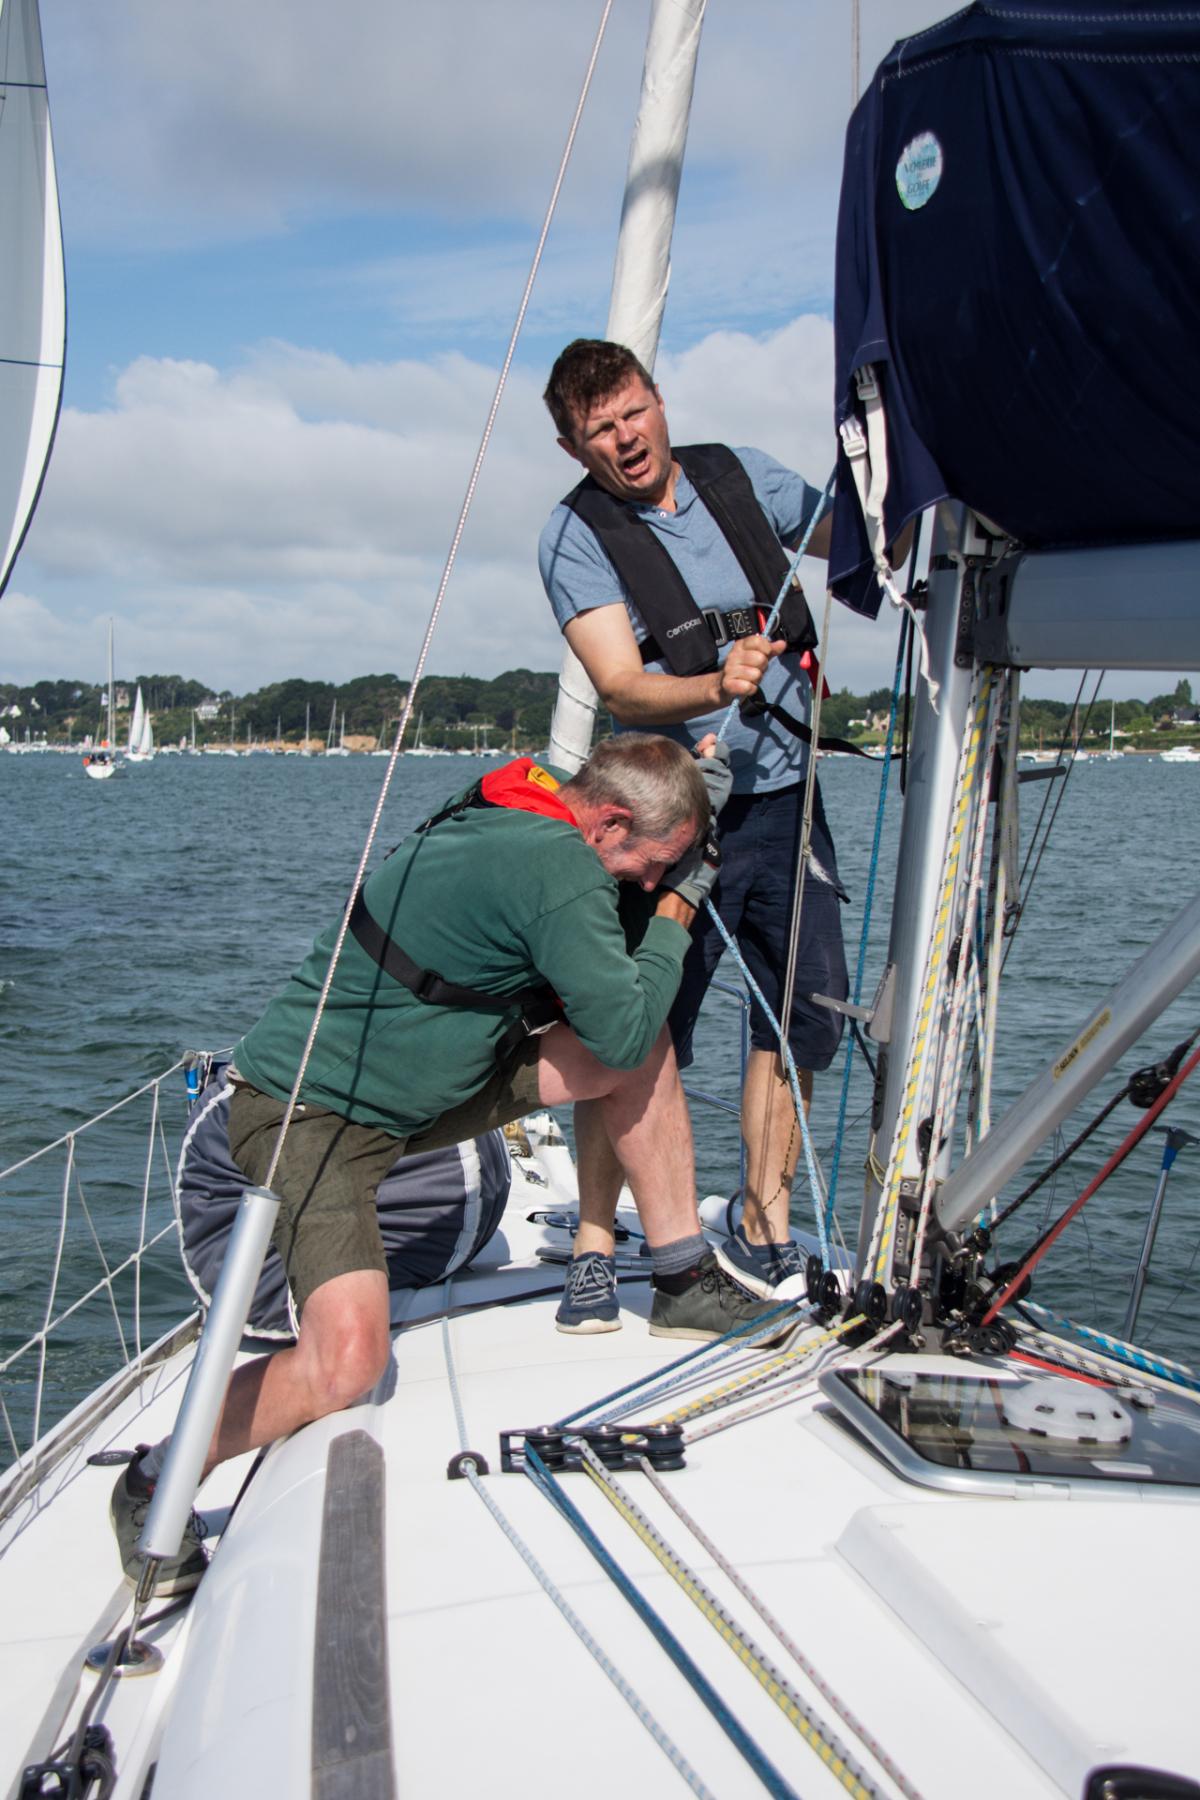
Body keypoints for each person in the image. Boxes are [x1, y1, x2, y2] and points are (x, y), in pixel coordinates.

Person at [111, 732, 784, 1594]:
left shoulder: (525, 801)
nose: (651, 882)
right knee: (346, 1363)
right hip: (311, 1118)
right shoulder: (556, 866)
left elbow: (616, 1026)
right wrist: (678, 913)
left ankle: (682, 1273)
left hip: (426, 1085)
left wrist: (682, 791)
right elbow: (616, 1024)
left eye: (666, 874)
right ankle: (155, 1476)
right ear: (610, 821)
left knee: (636, 1047)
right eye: (653, 864)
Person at [539, 338, 850, 1323]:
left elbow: (847, 532)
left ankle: (764, 1222)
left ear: (658, 400)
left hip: (788, 798)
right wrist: (716, 681)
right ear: (573, 446)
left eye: (633, 412)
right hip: (672, 817)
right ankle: (596, 1240)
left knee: (800, 1014)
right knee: (635, 1032)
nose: (626, 438)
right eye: (600, 430)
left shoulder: (739, 475)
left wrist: (889, 466)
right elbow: (622, 682)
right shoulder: (575, 536)